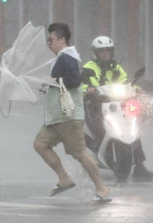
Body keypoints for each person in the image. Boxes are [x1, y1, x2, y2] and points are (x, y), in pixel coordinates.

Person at [33, 23, 110, 203]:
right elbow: (64, 83)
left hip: (68, 117)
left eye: (51, 40)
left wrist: (52, 81)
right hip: (57, 117)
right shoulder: (62, 58)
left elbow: (74, 81)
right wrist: (51, 86)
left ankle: (102, 188)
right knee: (40, 144)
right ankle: (64, 178)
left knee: (80, 153)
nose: (49, 43)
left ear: (62, 40)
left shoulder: (66, 58)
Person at [81, 36, 153, 181]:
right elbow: (82, 84)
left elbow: (125, 82)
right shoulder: (89, 67)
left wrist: (136, 89)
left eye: (108, 50)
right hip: (95, 103)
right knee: (99, 131)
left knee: (132, 127)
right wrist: (88, 90)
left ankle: (140, 166)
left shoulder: (116, 67)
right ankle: (98, 150)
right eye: (102, 51)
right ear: (96, 52)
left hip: (116, 104)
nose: (106, 53)